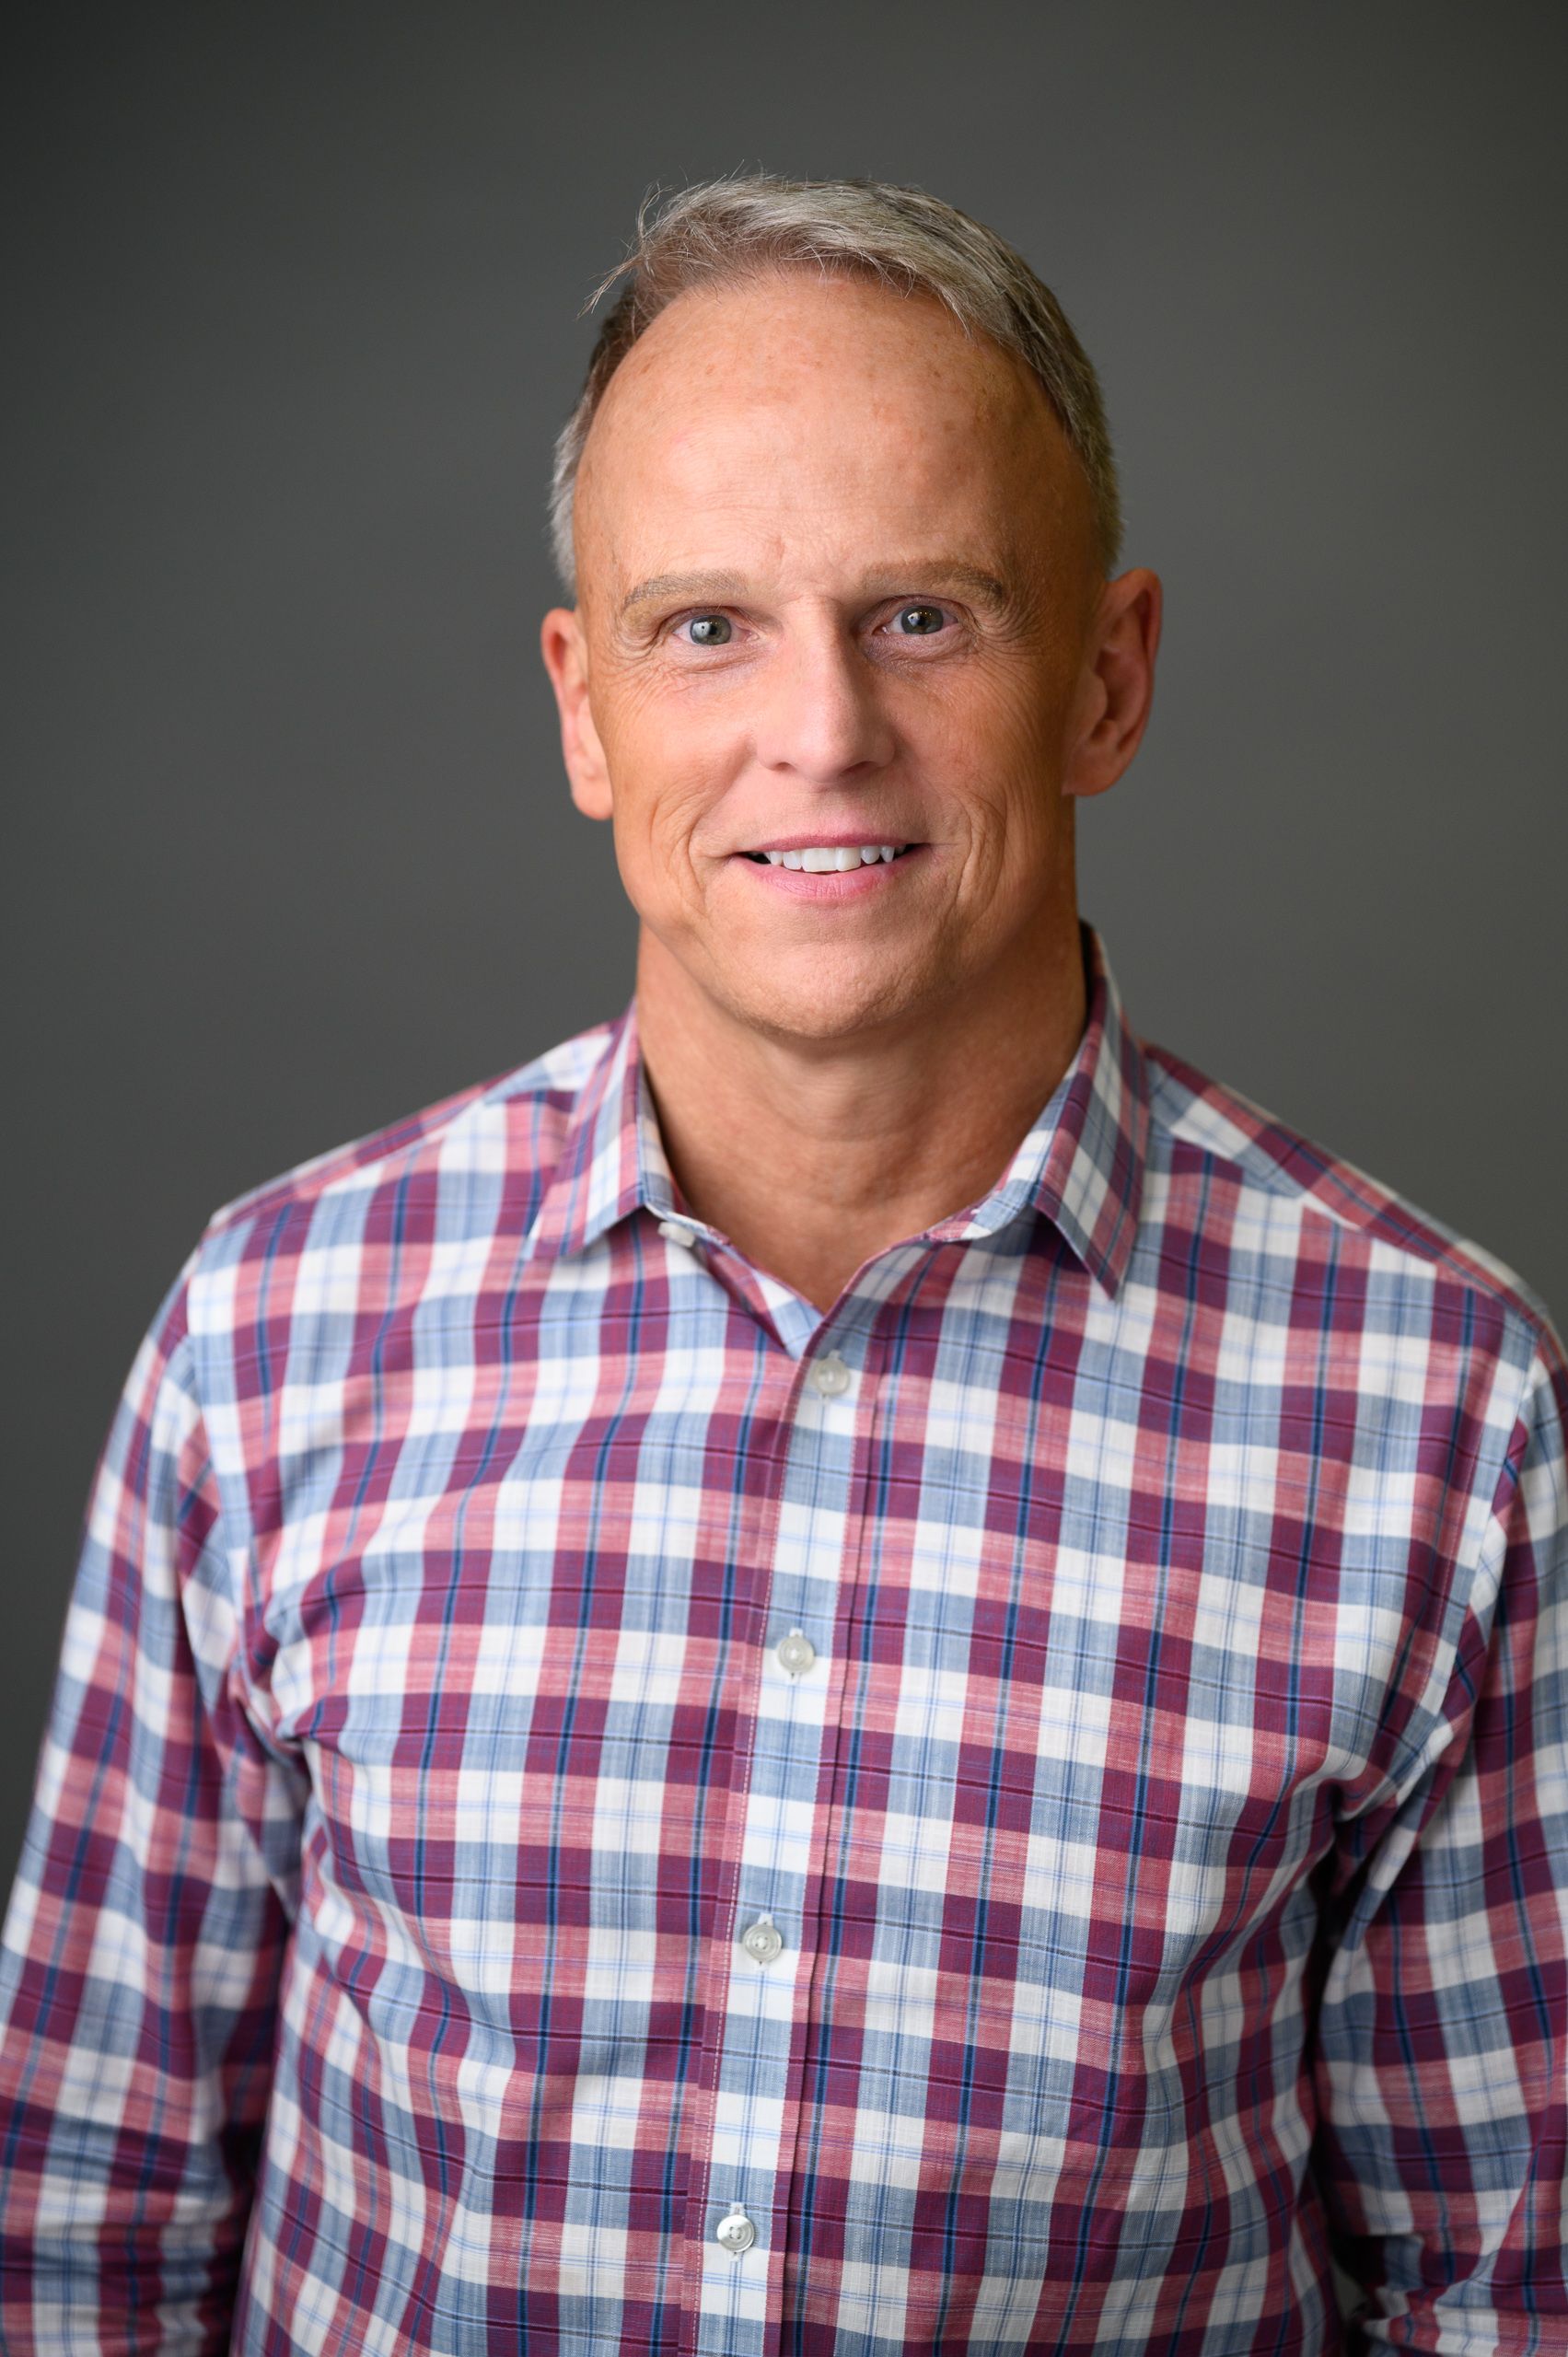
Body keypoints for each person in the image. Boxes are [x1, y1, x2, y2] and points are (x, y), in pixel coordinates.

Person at [0, 174, 1562, 2357]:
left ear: (1108, 679)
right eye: (705, 624)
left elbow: (1516, 2282)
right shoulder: (269, 1340)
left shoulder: (1435, 1406)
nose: (819, 731)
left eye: (922, 613)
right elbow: (80, 2214)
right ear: (583, 706)